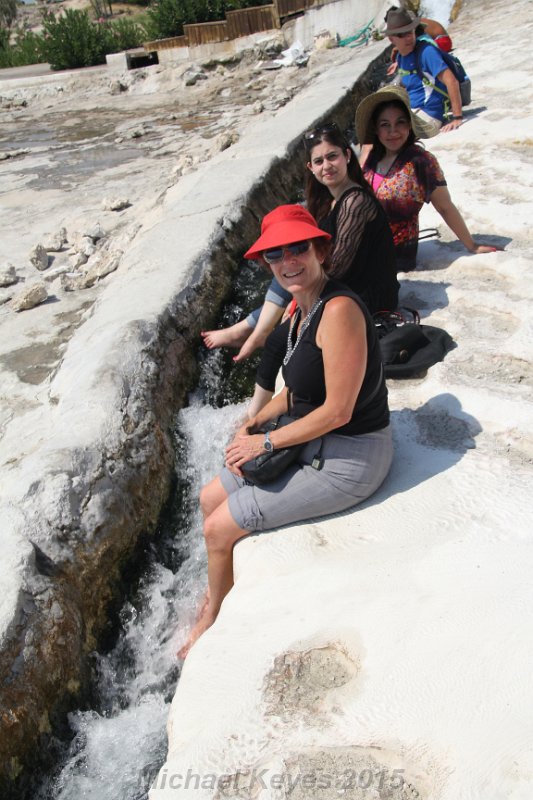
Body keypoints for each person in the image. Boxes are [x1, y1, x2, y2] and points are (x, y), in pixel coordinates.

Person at [179, 204, 393, 656]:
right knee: (208, 498)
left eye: (298, 248)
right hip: (314, 437)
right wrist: (255, 419)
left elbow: (338, 410)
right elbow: (298, 389)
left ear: (320, 250)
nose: (288, 261)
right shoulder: (302, 307)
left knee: (218, 528)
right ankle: (221, 582)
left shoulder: (338, 311)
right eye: (276, 254)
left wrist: (268, 439)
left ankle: (213, 615)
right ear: (267, 264)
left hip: (351, 456)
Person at [201, 122, 399, 361]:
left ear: (347, 155)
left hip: (367, 299)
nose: (326, 166)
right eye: (318, 161)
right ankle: (253, 329)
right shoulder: (328, 200)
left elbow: (337, 267)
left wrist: (297, 301)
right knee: (287, 255)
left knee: (292, 267)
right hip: (343, 285)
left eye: (332, 156)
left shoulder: (355, 202)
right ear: (310, 167)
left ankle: (253, 330)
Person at [355, 85, 500, 272]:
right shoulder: (371, 156)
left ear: (410, 125)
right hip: (362, 241)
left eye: (400, 122)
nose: (393, 131)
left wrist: (471, 245)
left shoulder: (421, 162)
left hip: (393, 253)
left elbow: (445, 206)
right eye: (385, 125)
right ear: (376, 129)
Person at [383, 7, 463, 134]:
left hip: (429, 117)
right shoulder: (401, 57)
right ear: (391, 39)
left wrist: (457, 117)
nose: (408, 37)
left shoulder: (427, 52)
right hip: (414, 112)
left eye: (410, 32)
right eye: (401, 35)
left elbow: (451, 81)